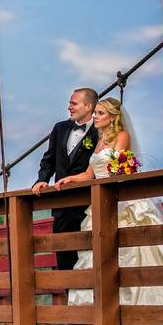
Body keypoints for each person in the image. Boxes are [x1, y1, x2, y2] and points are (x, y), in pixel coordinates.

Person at [54, 97, 163, 306]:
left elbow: (117, 168)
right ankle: (104, 302)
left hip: (119, 202)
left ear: (112, 117)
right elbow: (90, 174)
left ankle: (138, 299)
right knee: (99, 249)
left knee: (133, 247)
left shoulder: (122, 136)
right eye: (95, 113)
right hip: (100, 200)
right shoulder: (99, 142)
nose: (96, 117)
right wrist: (71, 178)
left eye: (100, 113)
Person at [32, 88, 100, 270]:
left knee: (89, 255)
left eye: (74, 103)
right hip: (61, 204)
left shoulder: (100, 131)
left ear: (88, 106)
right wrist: (42, 179)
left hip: (88, 204)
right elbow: (49, 159)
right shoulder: (59, 128)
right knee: (63, 255)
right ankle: (70, 297)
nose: (69, 107)